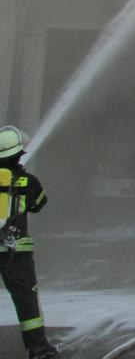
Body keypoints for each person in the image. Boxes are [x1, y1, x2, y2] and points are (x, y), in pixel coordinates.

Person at [0, 127, 59, 358]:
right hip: (16, 252)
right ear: (18, 155)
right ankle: (38, 348)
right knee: (26, 298)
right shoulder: (28, 182)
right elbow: (38, 204)